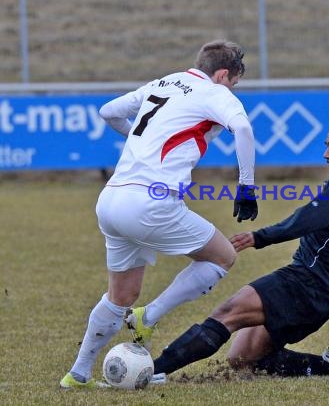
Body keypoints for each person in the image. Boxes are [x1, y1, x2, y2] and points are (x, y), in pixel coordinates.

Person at [60, 40, 259, 389]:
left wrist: (143, 139)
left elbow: (108, 111)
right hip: (151, 204)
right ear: (223, 74)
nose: (232, 90)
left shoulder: (162, 83)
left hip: (111, 200)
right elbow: (242, 129)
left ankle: (77, 374)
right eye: (233, 83)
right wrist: (246, 187)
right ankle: (148, 316)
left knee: (120, 295)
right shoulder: (213, 91)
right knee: (223, 256)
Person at [142, 118, 329, 380]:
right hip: (321, 296)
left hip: (307, 284)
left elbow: (308, 219)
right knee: (241, 359)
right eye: (326, 146)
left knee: (227, 312)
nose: (326, 154)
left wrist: (259, 237)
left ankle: (153, 370)